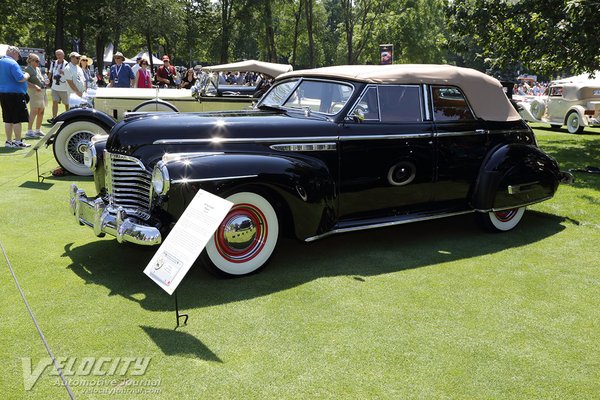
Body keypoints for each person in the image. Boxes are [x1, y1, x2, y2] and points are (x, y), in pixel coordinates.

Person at [0, 46, 31, 148]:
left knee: (8, 119)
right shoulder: (12, 63)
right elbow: (20, 78)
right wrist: (27, 75)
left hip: (3, 94)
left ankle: (9, 141)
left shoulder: (1, 61)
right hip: (15, 95)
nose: (18, 58)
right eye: (18, 55)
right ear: (14, 53)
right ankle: (18, 142)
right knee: (17, 119)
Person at [24, 53, 48, 138]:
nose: (38, 62)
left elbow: (40, 79)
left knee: (41, 111)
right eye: (37, 61)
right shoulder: (27, 69)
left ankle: (38, 130)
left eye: (39, 61)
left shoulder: (37, 69)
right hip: (34, 92)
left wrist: (45, 82)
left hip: (42, 91)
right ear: (31, 61)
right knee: (34, 110)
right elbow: (25, 81)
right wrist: (34, 86)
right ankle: (29, 131)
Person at [47, 49, 69, 123]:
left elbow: (69, 76)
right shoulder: (53, 63)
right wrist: (47, 81)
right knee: (54, 102)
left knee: (66, 104)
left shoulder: (67, 64)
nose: (58, 56)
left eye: (60, 54)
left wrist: (63, 72)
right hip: (55, 87)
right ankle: (54, 118)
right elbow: (50, 72)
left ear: (63, 55)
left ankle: (69, 118)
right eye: (57, 54)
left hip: (64, 88)